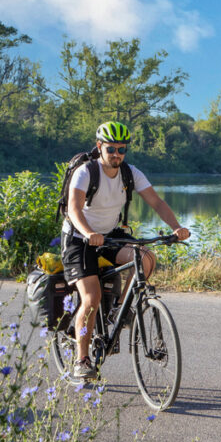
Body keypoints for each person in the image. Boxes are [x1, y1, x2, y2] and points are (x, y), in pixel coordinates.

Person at [61, 121, 190, 382]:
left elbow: (156, 202)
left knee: (146, 258)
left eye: (122, 149)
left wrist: (176, 227)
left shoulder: (130, 174)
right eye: (111, 149)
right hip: (79, 238)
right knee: (91, 298)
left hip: (109, 235)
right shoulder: (86, 172)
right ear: (99, 147)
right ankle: (81, 361)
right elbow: (74, 209)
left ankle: (119, 310)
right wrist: (88, 233)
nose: (117, 154)